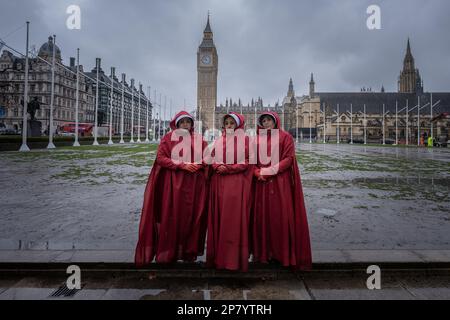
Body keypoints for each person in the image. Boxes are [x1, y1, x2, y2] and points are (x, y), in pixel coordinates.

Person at [135, 111, 209, 266]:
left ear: (191, 124)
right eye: (182, 123)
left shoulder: (199, 139)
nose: (185, 125)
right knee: (172, 216)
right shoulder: (167, 139)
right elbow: (161, 158)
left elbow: (207, 158)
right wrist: (182, 165)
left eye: (188, 122)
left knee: (191, 217)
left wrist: (198, 164)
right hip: (174, 184)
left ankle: (189, 252)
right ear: (176, 124)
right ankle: (170, 252)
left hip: (194, 184)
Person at [252, 111, 312, 271]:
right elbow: (251, 160)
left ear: (275, 121)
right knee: (262, 218)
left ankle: (281, 254)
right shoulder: (256, 139)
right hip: (261, 184)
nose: (266, 123)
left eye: (269, 120)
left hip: (280, 183)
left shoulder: (285, 137)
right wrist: (257, 172)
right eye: (263, 120)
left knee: (280, 217)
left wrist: (270, 170)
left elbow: (289, 158)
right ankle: (263, 254)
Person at [206, 112, 253, 272]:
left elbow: (248, 161)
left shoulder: (245, 140)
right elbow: (211, 158)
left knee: (233, 222)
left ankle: (233, 259)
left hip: (235, 184)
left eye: (232, 123)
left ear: (238, 125)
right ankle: (220, 258)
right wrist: (217, 166)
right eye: (226, 123)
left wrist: (230, 168)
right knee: (220, 220)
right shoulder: (219, 140)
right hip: (219, 184)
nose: (229, 126)